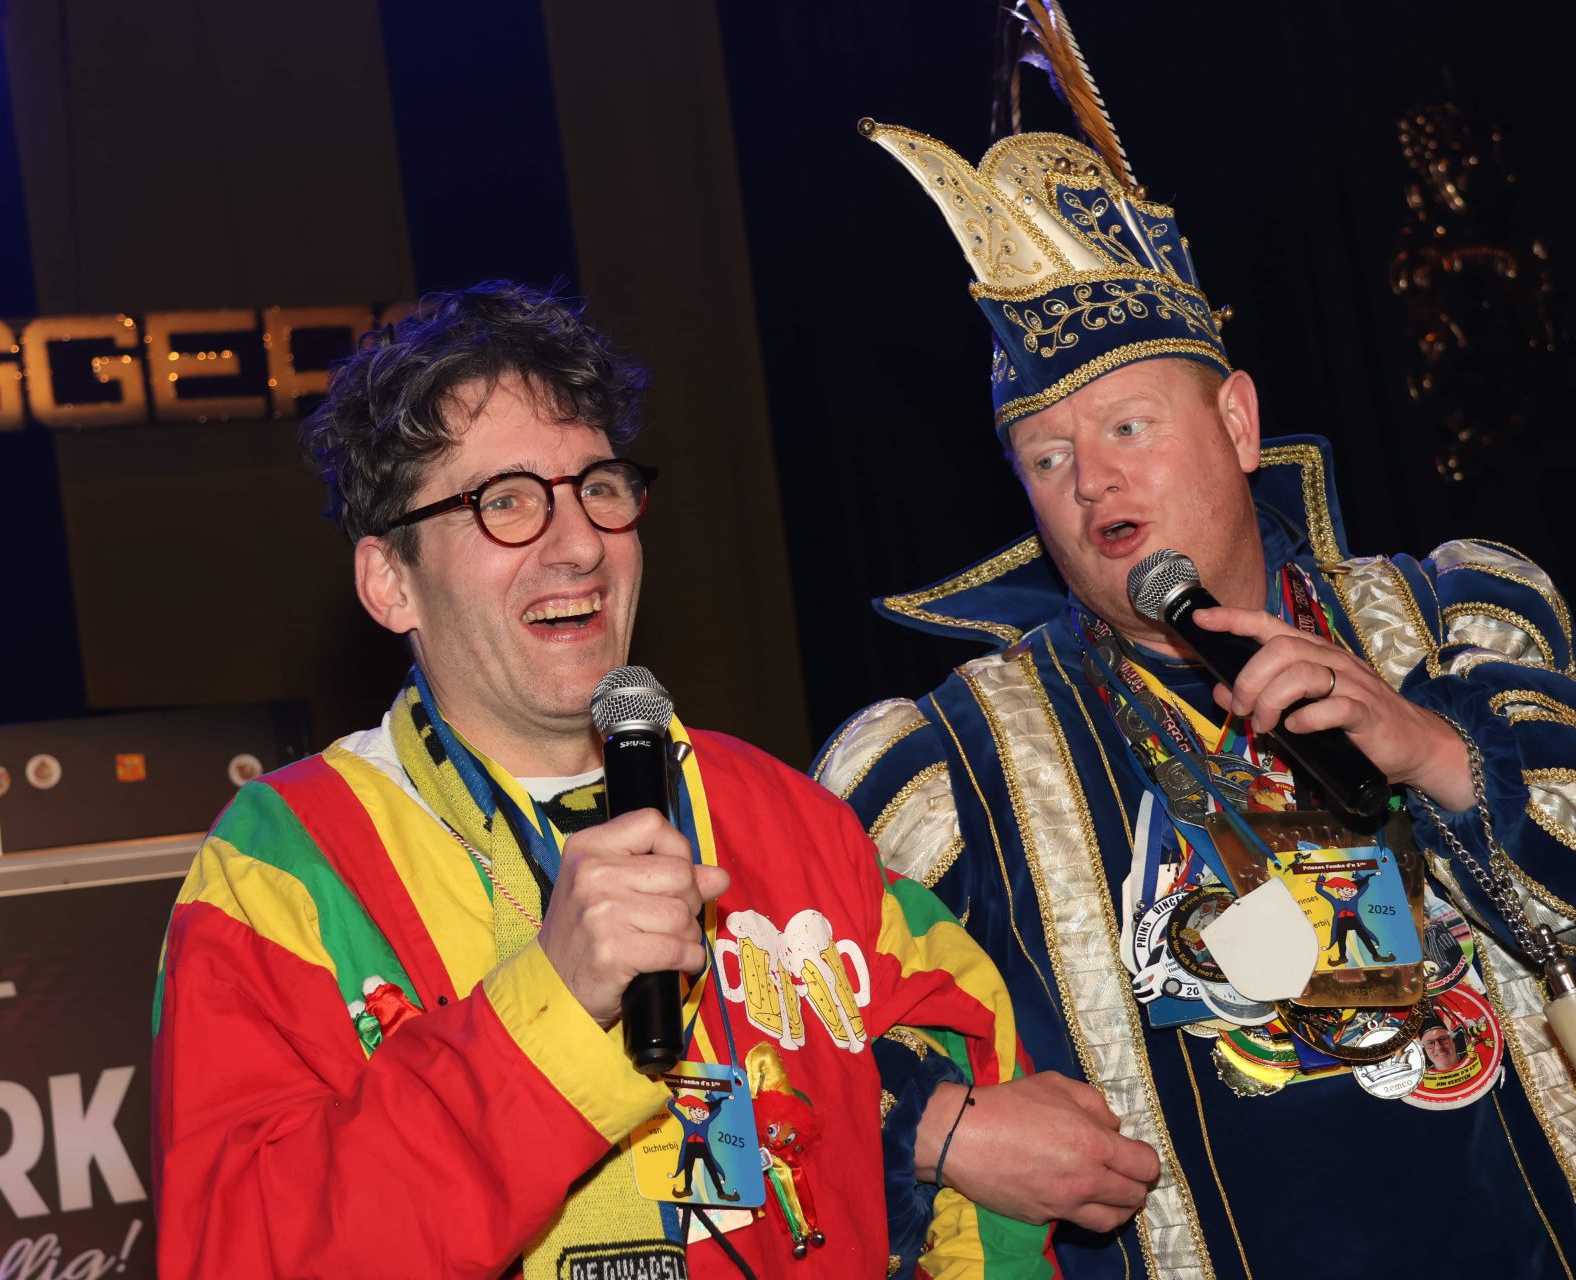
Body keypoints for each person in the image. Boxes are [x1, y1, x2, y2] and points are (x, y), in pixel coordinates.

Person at [816, 19, 1576, 1279]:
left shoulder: (1449, 622)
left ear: (1237, 421)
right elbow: (767, 1062)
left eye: (1130, 426)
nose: (1093, 481)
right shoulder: (949, 767)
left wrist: (1437, 751)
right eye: (1050, 458)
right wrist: (936, 1125)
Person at [150, 281, 1051, 1279]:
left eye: (600, 487)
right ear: (390, 582)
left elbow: (983, 1066)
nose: (579, 543)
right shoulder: (285, 867)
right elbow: (246, 1252)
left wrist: (927, 1125)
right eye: (504, 502)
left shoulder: (785, 816)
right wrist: (554, 1003)